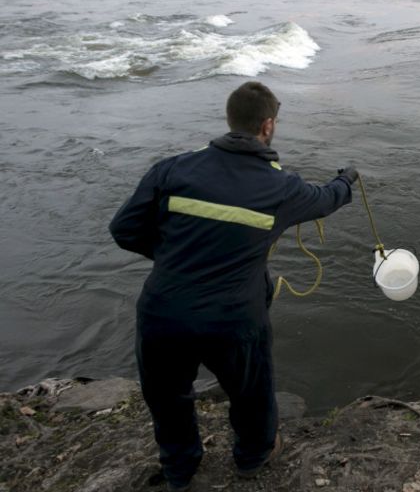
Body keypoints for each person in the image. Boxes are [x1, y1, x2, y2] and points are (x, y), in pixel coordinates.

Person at [109, 81, 358, 491]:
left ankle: (179, 469)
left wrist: (174, 258)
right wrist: (346, 180)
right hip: (233, 318)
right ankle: (253, 457)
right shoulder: (281, 188)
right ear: (268, 126)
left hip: (163, 311)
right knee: (251, 392)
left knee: (167, 397)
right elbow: (326, 199)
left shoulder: (173, 168)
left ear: (229, 120)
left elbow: (123, 229)